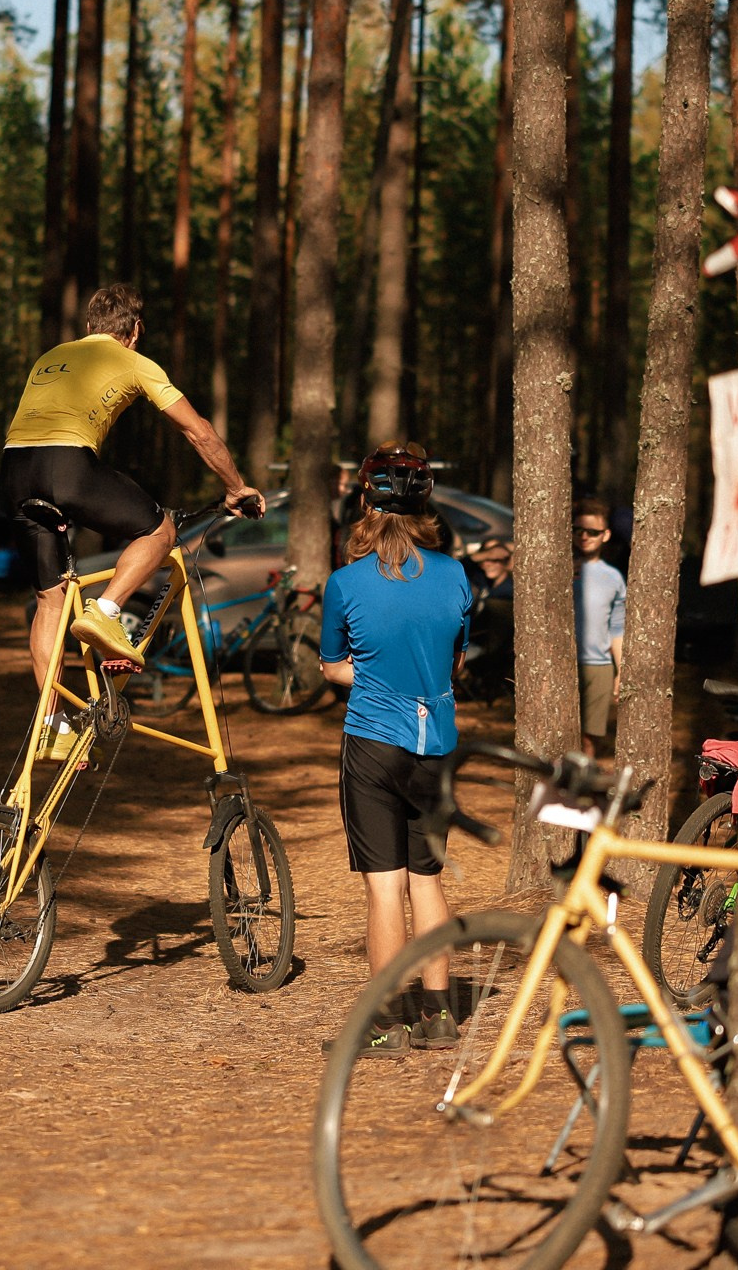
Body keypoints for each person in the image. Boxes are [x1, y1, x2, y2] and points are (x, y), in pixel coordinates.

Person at [0, 284, 259, 676]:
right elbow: (199, 432)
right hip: (67, 464)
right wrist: (236, 487)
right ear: (136, 330)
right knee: (160, 531)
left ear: (89, 325)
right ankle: (106, 611)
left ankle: (52, 728)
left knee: (49, 600)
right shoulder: (134, 362)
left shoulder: (51, 356)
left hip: (13, 470)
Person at [317, 443, 475, 1057]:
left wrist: (374, 676)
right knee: (426, 880)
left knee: (384, 887)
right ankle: (438, 1018)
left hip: (374, 746)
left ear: (363, 502)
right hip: (435, 746)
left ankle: (385, 1022)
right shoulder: (455, 575)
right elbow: (455, 660)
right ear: (426, 503)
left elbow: (333, 669)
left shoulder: (345, 583)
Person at [572, 499, 626, 758]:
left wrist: (620, 671)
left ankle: (581, 795)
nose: (585, 537)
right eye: (578, 530)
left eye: (592, 532)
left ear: (605, 535)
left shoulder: (613, 577)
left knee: (588, 738)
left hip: (599, 666)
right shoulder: (556, 570)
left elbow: (617, 627)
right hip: (563, 663)